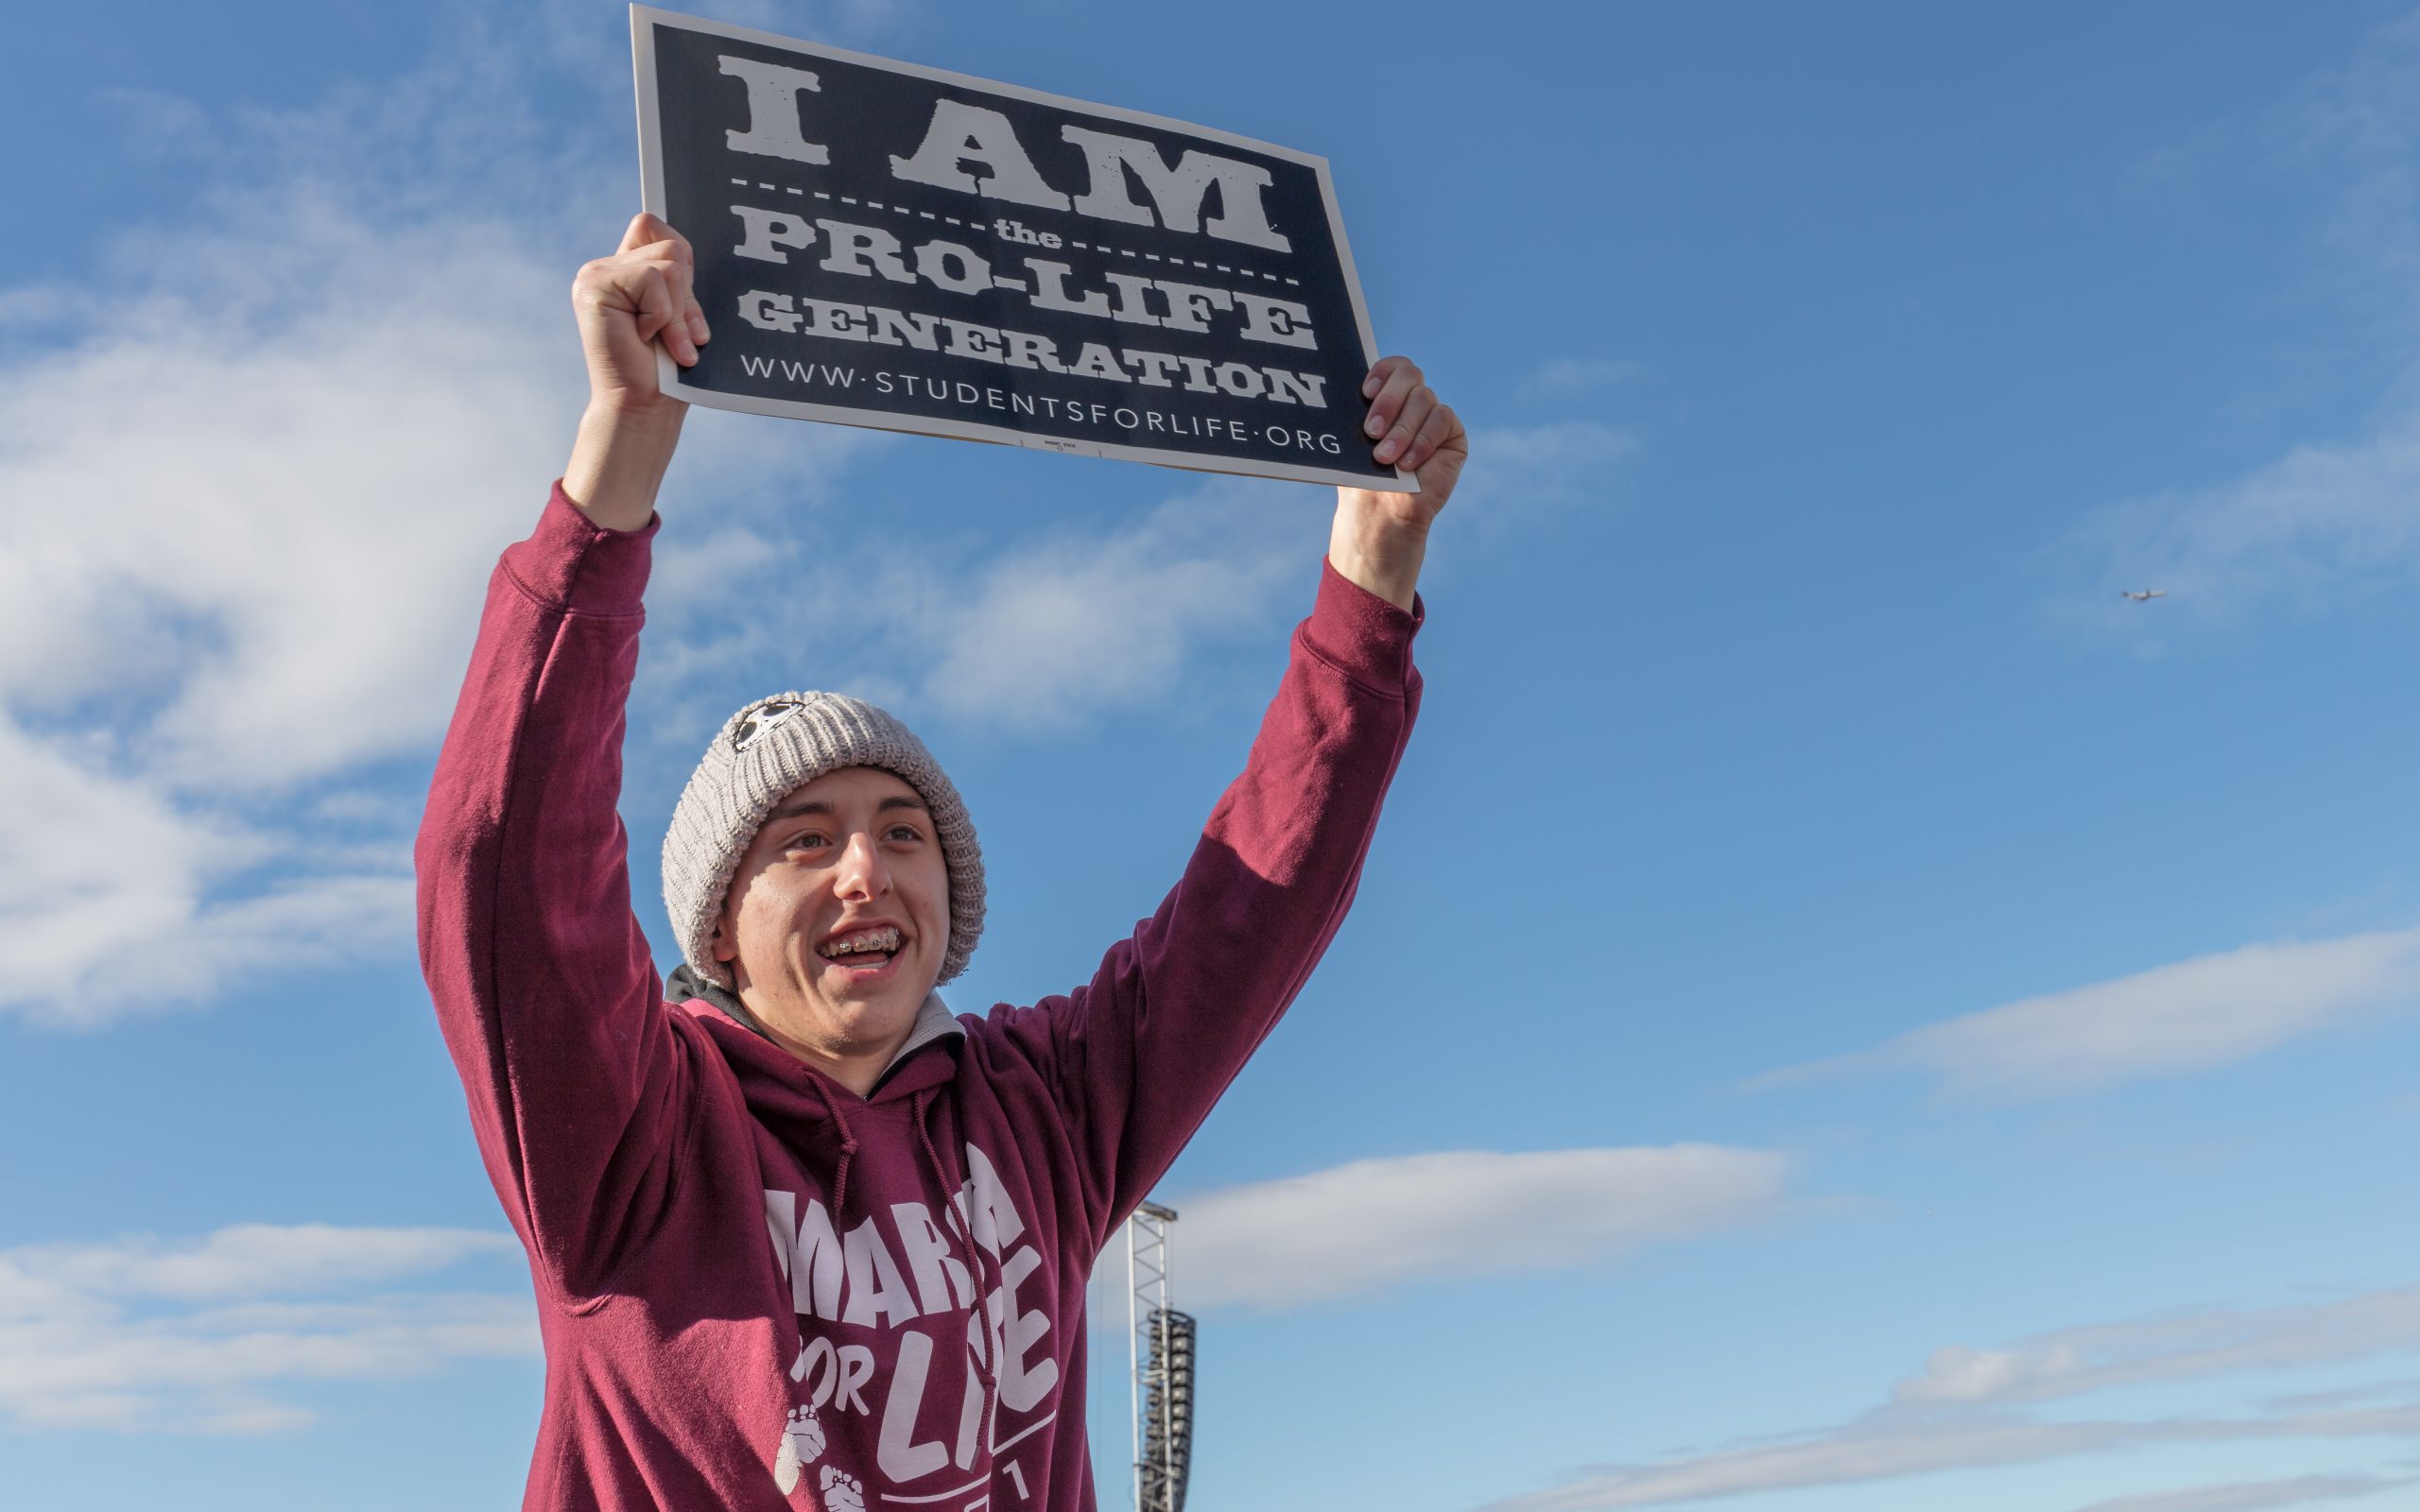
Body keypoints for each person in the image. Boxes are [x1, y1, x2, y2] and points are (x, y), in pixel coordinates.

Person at [416, 212, 1466, 1511]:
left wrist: (1369, 584)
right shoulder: (631, 1137)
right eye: (803, 842)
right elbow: (508, 863)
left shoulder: (1047, 1112)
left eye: (902, 834)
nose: (866, 870)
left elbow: (1254, 904)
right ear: (721, 937)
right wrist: (616, 464)